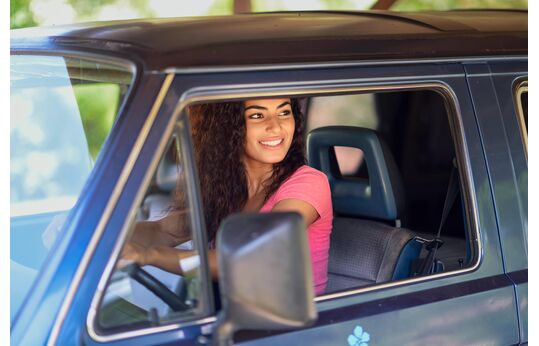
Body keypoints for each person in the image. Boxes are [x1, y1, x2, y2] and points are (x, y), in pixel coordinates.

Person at [123, 98, 332, 295]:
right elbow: (164, 231)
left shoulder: (309, 184)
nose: (276, 127)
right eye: (257, 116)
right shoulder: (226, 189)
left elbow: (245, 258)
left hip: (294, 327)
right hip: (233, 316)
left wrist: (149, 256)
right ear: (229, 127)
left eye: (284, 112)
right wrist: (109, 241)